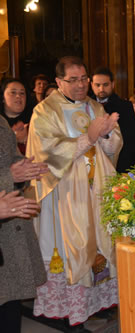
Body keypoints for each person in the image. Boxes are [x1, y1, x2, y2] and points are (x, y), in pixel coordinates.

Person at [26, 56, 123, 325]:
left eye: (84, 79)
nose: (81, 85)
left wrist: (106, 135)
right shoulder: (45, 111)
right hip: (66, 193)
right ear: (58, 82)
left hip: (97, 190)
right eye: (74, 80)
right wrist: (89, 137)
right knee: (74, 246)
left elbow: (112, 147)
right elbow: (47, 152)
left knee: (102, 241)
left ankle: (100, 301)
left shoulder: (94, 106)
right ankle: (71, 305)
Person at [0, 115, 49, 333]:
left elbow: (10, 157)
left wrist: (22, 171)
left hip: (8, 232)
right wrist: (7, 177)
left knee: (10, 306)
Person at [91, 67, 135, 172]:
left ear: (112, 84)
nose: (101, 89)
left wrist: (123, 170)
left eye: (105, 85)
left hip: (118, 165)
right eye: (97, 85)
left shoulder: (124, 106)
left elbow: (130, 141)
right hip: (91, 164)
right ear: (91, 85)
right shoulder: (86, 106)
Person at [0, 79, 32, 154]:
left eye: (22, 93)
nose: (18, 96)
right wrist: (14, 138)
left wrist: (28, 140)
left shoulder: (34, 121)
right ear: (3, 97)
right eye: (13, 92)